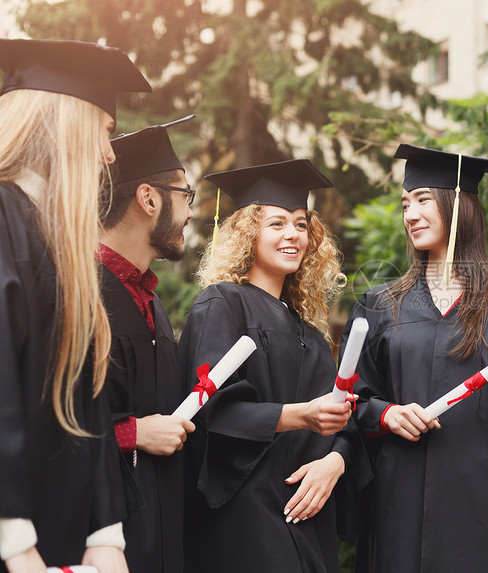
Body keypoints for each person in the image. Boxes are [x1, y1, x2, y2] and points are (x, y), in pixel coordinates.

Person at [342, 143, 488, 573]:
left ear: (460, 207)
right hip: (399, 505)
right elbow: (348, 403)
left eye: (423, 199)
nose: (410, 213)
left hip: (487, 507)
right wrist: (387, 415)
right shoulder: (380, 305)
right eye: (405, 204)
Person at [0, 39, 150, 573]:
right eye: (106, 130)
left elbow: (87, 402)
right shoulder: (3, 219)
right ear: (64, 120)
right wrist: (16, 545)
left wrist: (105, 536)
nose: (111, 153)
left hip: (60, 544)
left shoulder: (58, 246)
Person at [179, 160, 371, 573]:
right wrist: (302, 416)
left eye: (301, 225)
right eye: (277, 223)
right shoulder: (222, 304)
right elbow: (212, 409)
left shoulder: (313, 336)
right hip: (244, 514)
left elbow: (345, 423)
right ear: (249, 233)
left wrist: (334, 462)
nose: (293, 235)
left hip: (306, 514)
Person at [98, 116, 197, 573]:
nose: (192, 211)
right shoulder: (78, 293)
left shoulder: (151, 302)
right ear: (149, 198)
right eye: (186, 195)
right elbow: (41, 422)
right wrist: (134, 432)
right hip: (102, 534)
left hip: (162, 530)